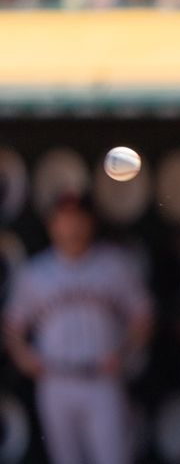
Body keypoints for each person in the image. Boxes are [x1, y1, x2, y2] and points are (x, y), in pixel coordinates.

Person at [2, 194, 153, 464]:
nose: (72, 227)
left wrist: (126, 353)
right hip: (56, 379)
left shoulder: (114, 265)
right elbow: (13, 324)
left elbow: (143, 314)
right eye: (64, 220)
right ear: (52, 225)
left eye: (78, 219)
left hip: (102, 378)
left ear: (90, 222)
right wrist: (24, 357)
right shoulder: (36, 272)